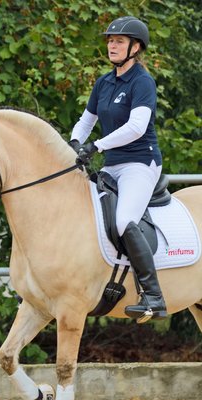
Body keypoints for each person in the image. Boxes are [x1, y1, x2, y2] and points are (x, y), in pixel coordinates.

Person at [68, 16, 166, 323]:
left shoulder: (142, 82)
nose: (112, 45)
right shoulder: (104, 82)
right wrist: (72, 143)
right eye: (110, 40)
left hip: (140, 163)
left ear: (135, 48)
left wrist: (95, 146)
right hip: (112, 166)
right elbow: (87, 121)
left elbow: (137, 127)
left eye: (119, 41)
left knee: (124, 221)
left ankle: (153, 296)